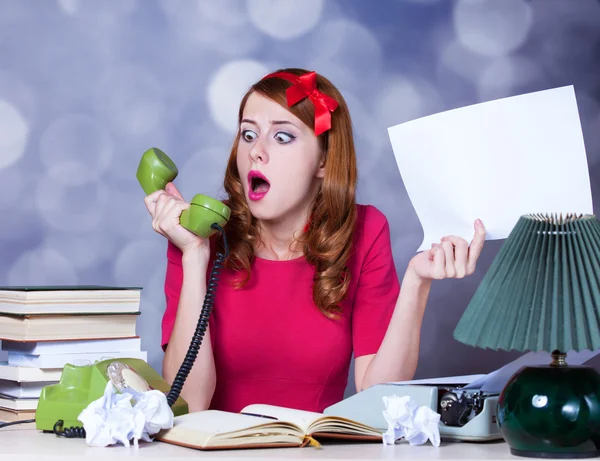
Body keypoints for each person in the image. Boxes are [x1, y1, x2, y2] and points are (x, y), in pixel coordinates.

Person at [144, 68, 486, 414]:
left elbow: (380, 396)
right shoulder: (201, 238)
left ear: (323, 160)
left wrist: (417, 282)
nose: (256, 152)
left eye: (282, 137)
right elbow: (191, 404)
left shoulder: (365, 230)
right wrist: (194, 255)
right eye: (248, 134)